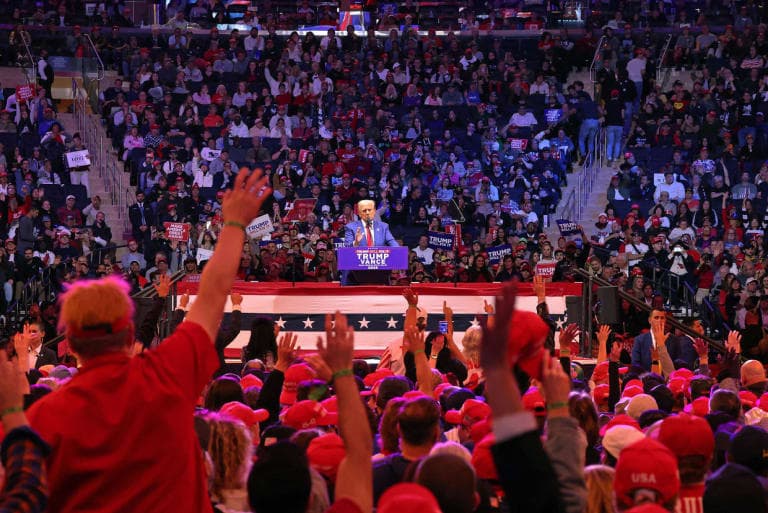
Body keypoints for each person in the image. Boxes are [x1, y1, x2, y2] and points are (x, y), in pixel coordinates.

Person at [26, 169, 272, 513]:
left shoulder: (43, 418)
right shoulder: (166, 375)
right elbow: (214, 293)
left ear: (73, 345)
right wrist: (233, 226)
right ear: (129, 333)